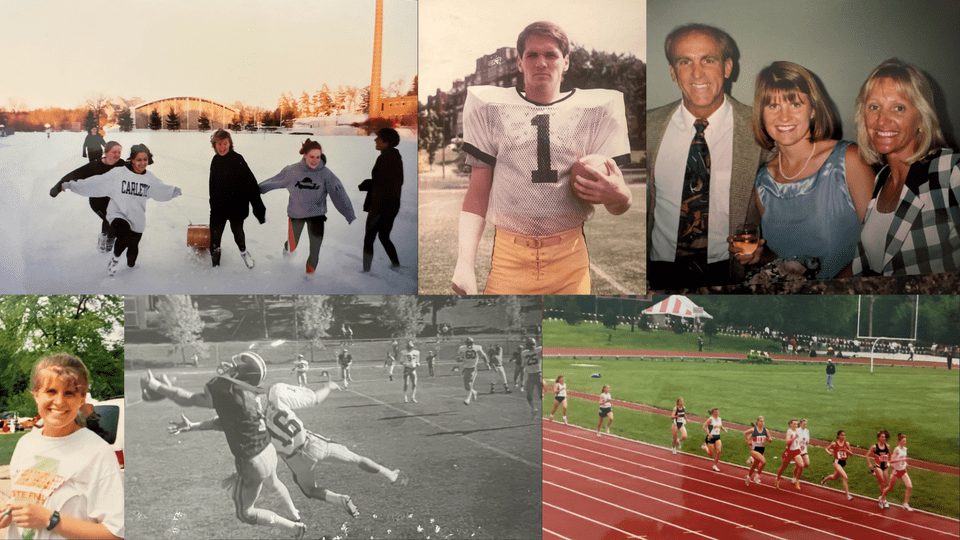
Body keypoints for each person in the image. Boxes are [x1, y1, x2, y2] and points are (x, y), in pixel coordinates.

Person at [452, 20, 631, 295]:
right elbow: (478, 190)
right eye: (531, 55)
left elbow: (618, 205)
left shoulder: (594, 111)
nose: (541, 63)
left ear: (566, 62)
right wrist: (464, 263)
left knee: (569, 336)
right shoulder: (492, 108)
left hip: (570, 259)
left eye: (551, 54)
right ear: (520, 64)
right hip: (509, 259)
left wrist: (621, 196)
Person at [169, 381, 408, 522]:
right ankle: (389, 474)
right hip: (314, 444)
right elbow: (314, 398)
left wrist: (192, 427)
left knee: (310, 490)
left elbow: (218, 424)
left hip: (296, 461)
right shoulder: (275, 394)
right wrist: (329, 386)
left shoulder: (247, 415)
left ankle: (339, 499)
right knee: (356, 459)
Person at [646, 23, 766, 290]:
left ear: (727, 67)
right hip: (659, 271)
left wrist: (764, 251)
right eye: (685, 61)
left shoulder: (761, 129)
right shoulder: (649, 127)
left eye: (708, 60)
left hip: (728, 273)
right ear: (673, 72)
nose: (697, 72)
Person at [732, 61, 874, 279]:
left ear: (813, 110)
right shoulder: (764, 181)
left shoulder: (849, 160)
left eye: (795, 104)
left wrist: (827, 294)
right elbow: (784, 258)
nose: (784, 117)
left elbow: (878, 248)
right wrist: (760, 256)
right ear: (761, 114)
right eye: (773, 106)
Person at [140, 352, 306, 538]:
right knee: (274, 482)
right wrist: (194, 426)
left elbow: (188, 399)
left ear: (245, 375)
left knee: (246, 513)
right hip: (268, 452)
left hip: (253, 462)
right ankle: (295, 515)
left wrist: (155, 385)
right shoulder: (252, 393)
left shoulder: (227, 391)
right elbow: (227, 422)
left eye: (239, 368)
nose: (233, 368)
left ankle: (295, 528)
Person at [852, 59, 959, 276]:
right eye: (874, 107)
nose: (882, 120)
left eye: (898, 108)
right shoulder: (881, 179)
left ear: (921, 117)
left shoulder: (949, 170)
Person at [0, 354, 124, 540]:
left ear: (82, 398)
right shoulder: (25, 444)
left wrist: (51, 519)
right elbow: (29, 497)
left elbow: (116, 533)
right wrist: (9, 510)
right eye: (51, 391)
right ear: (35, 394)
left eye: (69, 393)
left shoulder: (97, 452)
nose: (59, 401)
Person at [62, 144, 182, 277]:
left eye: (145, 159)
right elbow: (97, 182)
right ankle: (115, 259)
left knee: (132, 251)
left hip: (137, 218)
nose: (142, 163)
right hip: (117, 214)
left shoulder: (149, 178)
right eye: (139, 160)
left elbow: (161, 190)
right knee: (124, 235)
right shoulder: (118, 173)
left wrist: (174, 191)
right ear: (132, 159)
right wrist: (71, 185)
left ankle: (131, 267)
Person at [258, 139, 356, 277]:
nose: (315, 160)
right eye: (311, 157)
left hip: (317, 215)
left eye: (318, 157)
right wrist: (255, 190)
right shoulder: (292, 171)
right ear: (304, 155)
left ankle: (309, 279)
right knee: (292, 246)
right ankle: (287, 253)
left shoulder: (326, 174)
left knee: (315, 249)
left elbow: (339, 194)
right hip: (296, 214)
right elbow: (274, 181)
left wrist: (349, 214)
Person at [50, 140, 126, 253]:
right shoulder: (94, 166)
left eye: (119, 152)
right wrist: (58, 186)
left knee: (112, 219)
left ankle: (109, 239)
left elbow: (137, 167)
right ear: (106, 152)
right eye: (114, 152)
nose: (117, 155)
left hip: (113, 199)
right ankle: (105, 239)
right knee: (110, 218)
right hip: (97, 201)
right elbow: (74, 174)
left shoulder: (122, 164)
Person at [208, 129, 265, 269]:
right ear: (214, 145)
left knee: (238, 233)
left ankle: (244, 252)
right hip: (219, 208)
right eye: (219, 144)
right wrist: (213, 203)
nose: (222, 147)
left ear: (230, 143)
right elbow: (212, 184)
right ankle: (215, 264)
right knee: (214, 237)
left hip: (237, 208)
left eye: (225, 143)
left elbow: (251, 184)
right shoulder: (215, 160)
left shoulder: (237, 159)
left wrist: (258, 207)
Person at [359, 127, 403, 272]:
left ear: (386, 142)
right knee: (384, 236)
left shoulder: (386, 157)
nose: (375, 140)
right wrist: (371, 183)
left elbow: (384, 183)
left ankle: (366, 271)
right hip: (392, 204)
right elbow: (391, 181)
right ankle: (396, 264)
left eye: (378, 138)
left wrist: (368, 183)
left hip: (380, 205)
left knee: (369, 238)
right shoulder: (394, 156)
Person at [878, 433, 913, 511]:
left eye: (905, 441)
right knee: (890, 487)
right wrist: (900, 460)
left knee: (909, 486)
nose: (904, 442)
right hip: (896, 472)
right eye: (903, 441)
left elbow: (904, 459)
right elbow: (892, 461)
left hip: (903, 471)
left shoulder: (905, 449)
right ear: (900, 441)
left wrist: (906, 464)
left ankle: (905, 504)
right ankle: (881, 497)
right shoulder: (897, 449)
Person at [820, 430, 854, 501]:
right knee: (845, 477)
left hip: (843, 462)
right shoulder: (834, 444)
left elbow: (851, 454)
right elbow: (826, 448)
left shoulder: (847, 444)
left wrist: (846, 451)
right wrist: (829, 452)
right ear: (838, 436)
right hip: (837, 462)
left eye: (844, 435)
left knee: (834, 477)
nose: (843, 436)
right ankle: (848, 495)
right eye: (842, 435)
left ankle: (824, 480)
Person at [774, 419, 805, 490]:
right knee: (784, 466)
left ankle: (796, 480)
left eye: (796, 424)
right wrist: (794, 438)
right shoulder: (789, 431)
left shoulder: (797, 431)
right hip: (790, 451)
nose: (795, 425)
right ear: (790, 424)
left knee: (801, 465)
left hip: (796, 451)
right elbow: (787, 442)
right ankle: (777, 478)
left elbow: (798, 440)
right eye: (794, 424)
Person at [459, 337, 488, 406]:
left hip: (473, 368)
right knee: (466, 387)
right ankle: (474, 392)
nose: (469, 345)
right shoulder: (463, 348)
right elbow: (458, 356)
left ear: (472, 343)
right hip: (466, 368)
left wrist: (487, 364)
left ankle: (468, 399)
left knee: (470, 384)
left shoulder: (477, 347)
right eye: (467, 343)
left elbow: (484, 355)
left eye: (470, 343)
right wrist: (459, 358)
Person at [867, 430, 893, 505]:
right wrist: (869, 463)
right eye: (882, 437)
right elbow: (867, 455)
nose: (883, 438)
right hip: (877, 466)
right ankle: (883, 500)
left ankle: (881, 497)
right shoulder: (874, 447)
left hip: (885, 466)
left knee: (886, 484)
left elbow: (890, 455)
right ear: (878, 438)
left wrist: (890, 462)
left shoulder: (887, 446)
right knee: (882, 482)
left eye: (884, 437)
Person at [743, 416, 770, 485]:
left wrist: (769, 440)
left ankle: (748, 477)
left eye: (763, 421)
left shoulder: (765, 430)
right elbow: (745, 433)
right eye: (761, 421)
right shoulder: (753, 430)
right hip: (754, 450)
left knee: (755, 465)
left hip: (761, 450)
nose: (762, 422)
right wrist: (748, 440)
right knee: (763, 462)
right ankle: (757, 476)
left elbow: (769, 439)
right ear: (757, 422)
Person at [700, 407, 728, 472]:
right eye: (717, 412)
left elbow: (720, 426)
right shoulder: (710, 419)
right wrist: (708, 434)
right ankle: (705, 447)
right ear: (713, 413)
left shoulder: (719, 419)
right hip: (711, 437)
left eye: (718, 412)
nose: (718, 413)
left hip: (717, 437)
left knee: (719, 451)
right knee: (711, 454)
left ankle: (715, 465)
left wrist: (724, 429)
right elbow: (704, 426)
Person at [521, 337, 543, 418]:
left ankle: (544, 410)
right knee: (529, 396)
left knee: (540, 396)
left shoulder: (525, 353)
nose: (532, 346)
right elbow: (523, 366)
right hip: (533, 375)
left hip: (536, 375)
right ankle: (534, 409)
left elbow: (522, 366)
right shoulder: (538, 350)